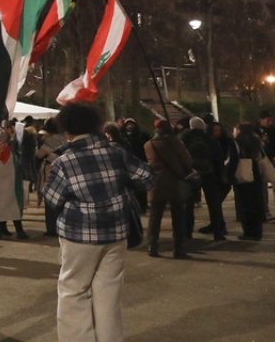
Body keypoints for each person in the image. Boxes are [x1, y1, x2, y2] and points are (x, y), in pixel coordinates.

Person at [43, 103, 154, 342]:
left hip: (79, 235)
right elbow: (146, 177)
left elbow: (52, 200)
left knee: (74, 290)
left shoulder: (65, 161)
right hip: (116, 233)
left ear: (68, 130)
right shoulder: (117, 152)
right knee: (109, 293)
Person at [144, 119, 194, 258]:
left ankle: (152, 246)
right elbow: (187, 160)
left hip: (155, 184)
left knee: (155, 216)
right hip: (174, 182)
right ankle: (179, 249)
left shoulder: (148, 145)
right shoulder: (175, 142)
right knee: (178, 216)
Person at [181, 116, 225, 240]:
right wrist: (219, 174)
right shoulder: (210, 139)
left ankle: (187, 232)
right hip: (209, 174)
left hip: (190, 175)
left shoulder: (183, 138)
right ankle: (218, 232)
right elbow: (218, 158)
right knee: (214, 204)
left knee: (188, 205)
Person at [0, 121, 28, 239]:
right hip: (11, 184)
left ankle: (0, 230)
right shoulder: (7, 150)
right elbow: (16, 166)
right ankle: (19, 231)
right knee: (14, 206)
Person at [232, 123, 268, 240]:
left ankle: (248, 232)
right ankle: (257, 231)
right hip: (255, 173)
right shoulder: (256, 140)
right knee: (256, 202)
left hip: (243, 173)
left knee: (244, 204)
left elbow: (234, 157)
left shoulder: (238, 141)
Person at [258, 111, 275, 218]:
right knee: (263, 187)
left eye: (271, 120)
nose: (269, 122)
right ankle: (265, 210)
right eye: (267, 120)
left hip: (273, 159)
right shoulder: (256, 130)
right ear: (261, 120)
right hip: (262, 160)